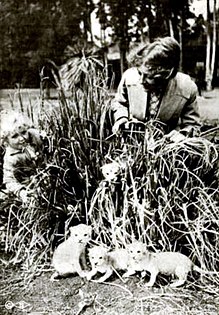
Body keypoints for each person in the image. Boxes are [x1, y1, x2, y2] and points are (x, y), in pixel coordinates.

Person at [111, 37, 201, 142]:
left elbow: (193, 126)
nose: (140, 80)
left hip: (168, 148)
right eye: (140, 73)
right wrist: (121, 118)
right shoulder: (129, 76)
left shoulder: (186, 87)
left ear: (165, 75)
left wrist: (183, 135)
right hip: (133, 144)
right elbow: (119, 103)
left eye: (148, 76)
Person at [1, 110, 45, 204]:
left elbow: (48, 140)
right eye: (15, 136)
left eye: (24, 132)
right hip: (28, 185)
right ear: (5, 141)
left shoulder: (34, 135)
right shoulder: (10, 158)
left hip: (45, 175)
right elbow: (9, 181)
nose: (22, 138)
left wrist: (46, 137)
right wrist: (22, 192)